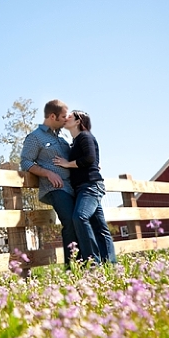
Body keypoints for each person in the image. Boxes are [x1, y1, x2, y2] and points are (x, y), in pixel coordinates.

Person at [53, 110, 117, 265]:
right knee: (99, 227)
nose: (66, 118)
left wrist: (67, 164)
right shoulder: (76, 141)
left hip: (90, 186)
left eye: (69, 116)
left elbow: (89, 158)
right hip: (84, 187)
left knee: (79, 217)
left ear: (77, 121)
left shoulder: (85, 136)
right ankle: (111, 264)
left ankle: (92, 263)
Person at [19, 99, 79, 267]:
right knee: (69, 222)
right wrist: (47, 173)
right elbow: (25, 162)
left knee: (80, 222)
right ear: (52, 116)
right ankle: (71, 267)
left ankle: (86, 263)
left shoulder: (62, 139)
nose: (66, 120)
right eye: (62, 117)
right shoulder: (35, 137)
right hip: (55, 189)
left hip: (73, 187)